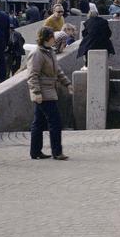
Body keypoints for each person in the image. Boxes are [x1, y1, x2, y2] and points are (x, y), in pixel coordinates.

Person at [28, 27, 72, 161]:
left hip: (49, 90)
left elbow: (57, 70)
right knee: (55, 122)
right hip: (43, 92)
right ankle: (57, 152)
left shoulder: (49, 51)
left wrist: (67, 84)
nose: (55, 39)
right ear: (47, 38)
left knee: (39, 122)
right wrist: (36, 92)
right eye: (53, 36)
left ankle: (35, 152)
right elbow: (32, 75)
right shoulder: (37, 53)